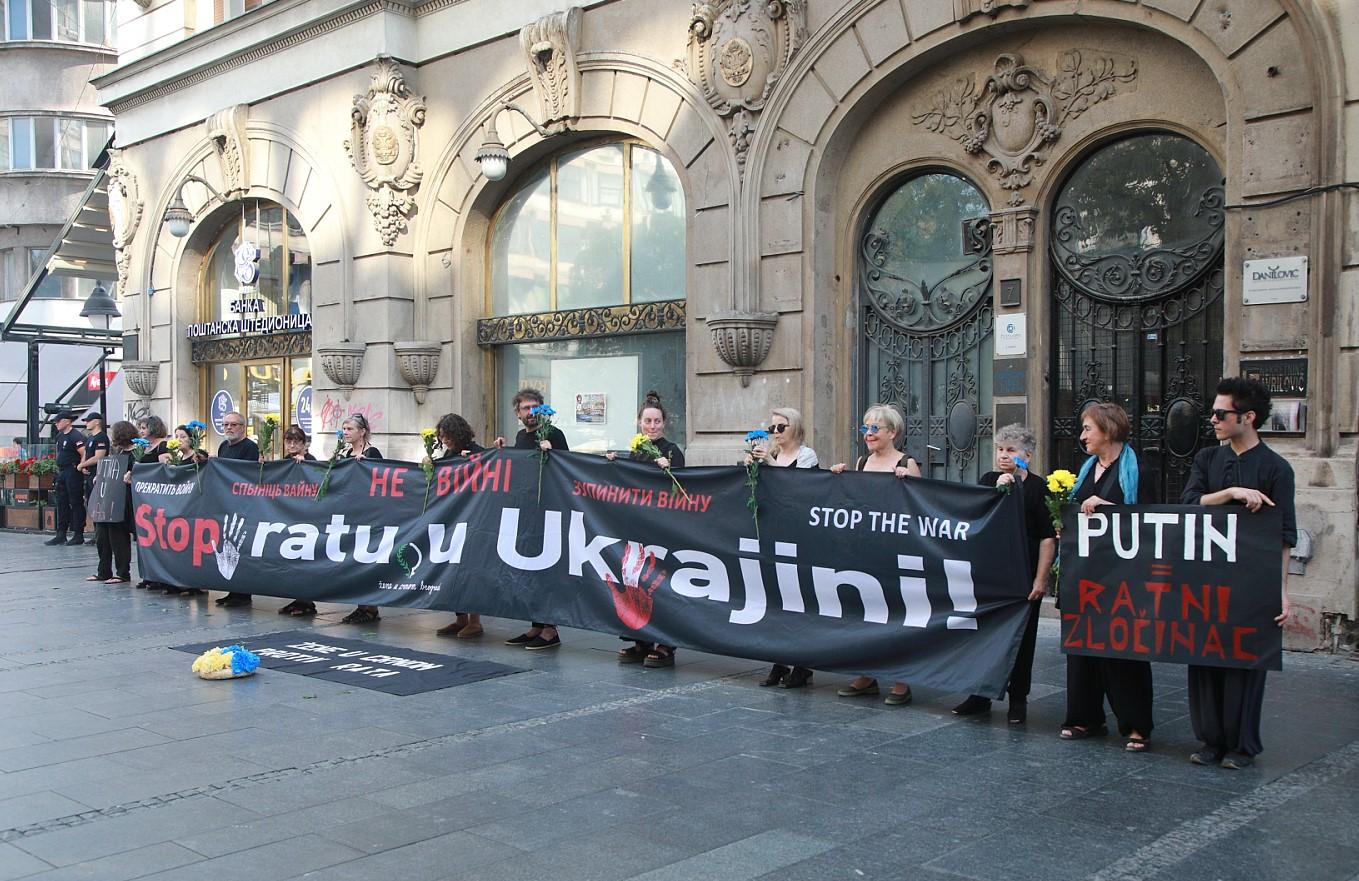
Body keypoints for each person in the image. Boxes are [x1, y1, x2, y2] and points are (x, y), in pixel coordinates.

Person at [1181, 377, 1296, 770]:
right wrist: (1229, 494)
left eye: (1220, 413)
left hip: (1251, 581)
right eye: (1212, 412)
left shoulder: (1277, 469)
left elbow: (1284, 535)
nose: (1212, 419)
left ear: (1247, 417)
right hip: (1206, 579)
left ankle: (1241, 745)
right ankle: (1210, 740)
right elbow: (1189, 504)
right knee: (1205, 657)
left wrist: (1282, 592)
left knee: (1245, 661)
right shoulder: (1208, 460)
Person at [1060, 401, 1154, 752]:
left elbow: (1149, 521)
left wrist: (1110, 510)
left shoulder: (1137, 469)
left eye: (1088, 428)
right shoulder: (1086, 470)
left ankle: (1136, 724)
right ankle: (1084, 716)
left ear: (1109, 429)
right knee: (1082, 646)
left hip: (1123, 576)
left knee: (1123, 648)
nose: (1083, 435)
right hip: (1086, 575)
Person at [952, 424, 1056, 723]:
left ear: (1027, 456)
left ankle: (1018, 700)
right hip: (991, 571)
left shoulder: (1039, 487)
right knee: (984, 633)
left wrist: (1040, 579)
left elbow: (1048, 536)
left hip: (1024, 572)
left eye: (1011, 450)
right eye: (999, 449)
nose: (1003, 456)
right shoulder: (988, 480)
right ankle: (979, 694)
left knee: (1022, 639)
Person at [830, 404, 921, 706]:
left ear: (892, 432)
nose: (868, 434)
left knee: (897, 613)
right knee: (867, 613)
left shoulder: (907, 462)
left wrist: (908, 481)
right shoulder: (861, 461)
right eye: (865, 429)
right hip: (866, 551)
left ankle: (902, 679)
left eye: (874, 429)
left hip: (897, 553)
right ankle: (867, 675)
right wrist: (839, 478)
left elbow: (922, 508)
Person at [608, 391, 684, 668]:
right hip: (637, 526)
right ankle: (641, 639)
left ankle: (667, 644)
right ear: (639, 423)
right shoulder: (636, 451)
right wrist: (614, 461)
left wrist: (669, 468)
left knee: (661, 583)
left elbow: (682, 487)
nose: (652, 427)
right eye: (647, 421)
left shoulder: (673, 450)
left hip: (663, 528)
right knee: (634, 582)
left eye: (657, 422)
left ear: (665, 423)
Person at [749, 407, 819, 688]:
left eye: (781, 427)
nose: (775, 433)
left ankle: (803, 665)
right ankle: (779, 661)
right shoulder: (774, 455)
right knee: (777, 599)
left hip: (800, 535)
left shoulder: (806, 455)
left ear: (795, 429)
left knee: (800, 599)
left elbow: (799, 489)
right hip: (775, 533)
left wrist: (769, 462)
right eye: (772, 428)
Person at [493, 388, 569, 650]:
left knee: (546, 570)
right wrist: (504, 451)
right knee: (529, 570)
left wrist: (553, 451)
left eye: (535, 407)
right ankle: (536, 625)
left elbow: (569, 467)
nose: (531, 412)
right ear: (517, 412)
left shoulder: (553, 434)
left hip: (549, 510)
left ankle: (550, 629)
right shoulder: (519, 436)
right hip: (526, 511)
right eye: (526, 408)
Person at [434, 413, 489, 638]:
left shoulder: (478, 452)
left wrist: (470, 461)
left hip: (474, 518)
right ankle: (460, 618)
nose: (444, 441)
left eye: (446, 436)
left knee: (471, 570)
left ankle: (475, 621)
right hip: (454, 518)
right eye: (441, 437)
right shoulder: (449, 453)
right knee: (454, 568)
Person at [339, 413, 385, 625]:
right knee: (354, 559)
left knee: (368, 558)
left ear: (362, 431)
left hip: (368, 514)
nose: (346, 433)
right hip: (350, 511)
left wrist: (365, 466)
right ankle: (360, 606)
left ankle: (370, 607)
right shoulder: (345, 453)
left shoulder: (371, 452)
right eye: (345, 429)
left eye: (350, 429)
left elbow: (381, 477)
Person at [215, 411, 260, 607]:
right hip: (227, 503)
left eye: (233, 424)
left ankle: (243, 593)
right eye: (226, 424)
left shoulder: (250, 447)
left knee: (240, 548)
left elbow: (246, 472)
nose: (229, 428)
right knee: (228, 548)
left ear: (242, 427)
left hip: (243, 503)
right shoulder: (223, 446)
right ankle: (232, 591)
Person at [87, 420, 138, 586]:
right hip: (107, 501)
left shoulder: (135, 454)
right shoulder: (116, 453)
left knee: (118, 538)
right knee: (102, 537)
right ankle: (103, 571)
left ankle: (122, 572)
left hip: (121, 501)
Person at [278, 426, 320, 617]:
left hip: (307, 517)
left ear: (304, 444)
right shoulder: (284, 462)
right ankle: (298, 598)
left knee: (304, 559)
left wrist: (306, 466)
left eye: (296, 441)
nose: (292, 445)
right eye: (288, 441)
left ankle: (306, 601)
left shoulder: (311, 462)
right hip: (288, 516)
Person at [46, 410, 88, 547]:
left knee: (75, 502)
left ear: (67, 421)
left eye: (59, 421)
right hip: (62, 471)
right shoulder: (60, 436)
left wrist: (81, 466)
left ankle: (78, 534)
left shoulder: (75, 435)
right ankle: (61, 533)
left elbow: (83, 452)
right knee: (61, 502)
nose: (56, 423)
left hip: (72, 470)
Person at [78, 412, 109, 501]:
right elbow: (86, 452)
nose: (86, 423)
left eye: (88, 421)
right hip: (89, 473)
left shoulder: (101, 437)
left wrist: (82, 465)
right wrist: (83, 465)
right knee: (88, 499)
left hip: (97, 473)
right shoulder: (90, 437)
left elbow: (98, 457)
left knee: (95, 500)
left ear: (97, 422)